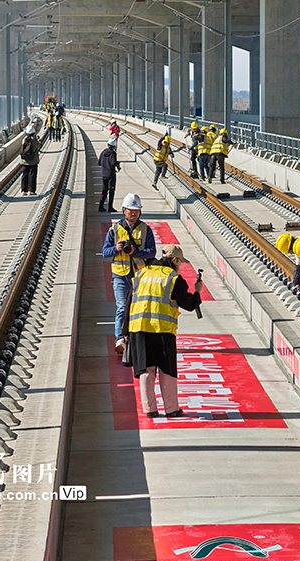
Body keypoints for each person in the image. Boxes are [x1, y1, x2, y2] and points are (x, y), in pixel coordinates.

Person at [128, 244, 203, 418]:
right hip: (162, 329)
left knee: (146, 369)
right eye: (180, 262)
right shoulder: (173, 278)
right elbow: (189, 304)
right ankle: (171, 409)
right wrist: (197, 292)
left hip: (139, 328)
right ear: (174, 260)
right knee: (166, 369)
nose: (180, 266)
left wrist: (125, 331)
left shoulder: (141, 274)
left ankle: (150, 410)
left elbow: (129, 301)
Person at [101, 193, 157, 355]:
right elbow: (105, 252)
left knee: (141, 308)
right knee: (122, 307)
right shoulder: (114, 229)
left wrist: (135, 252)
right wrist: (116, 248)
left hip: (140, 277)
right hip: (120, 276)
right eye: (130, 210)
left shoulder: (145, 230)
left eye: (136, 210)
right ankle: (120, 339)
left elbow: (152, 252)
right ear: (124, 210)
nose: (133, 213)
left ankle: (138, 338)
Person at [98, 138, 121, 212]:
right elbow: (113, 163)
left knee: (104, 190)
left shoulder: (103, 152)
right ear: (114, 146)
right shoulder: (113, 153)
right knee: (111, 190)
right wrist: (117, 164)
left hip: (104, 174)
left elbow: (99, 163)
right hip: (111, 175)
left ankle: (100, 207)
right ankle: (110, 207)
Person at [20, 124, 42, 196]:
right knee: (32, 175)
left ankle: (24, 190)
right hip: (33, 161)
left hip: (24, 161)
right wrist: (38, 139)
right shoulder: (34, 141)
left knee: (25, 175)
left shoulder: (24, 140)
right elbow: (40, 146)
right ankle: (31, 190)